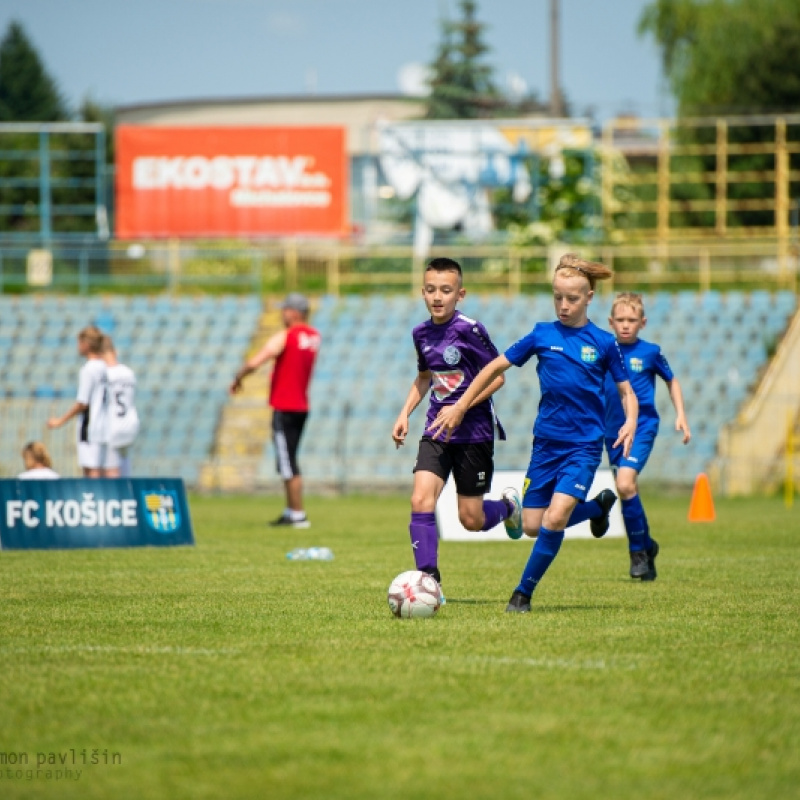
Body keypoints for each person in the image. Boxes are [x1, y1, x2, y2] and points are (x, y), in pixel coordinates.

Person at [430, 253, 639, 613]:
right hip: (545, 444)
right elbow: (494, 366)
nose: (563, 304)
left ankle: (522, 594)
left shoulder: (604, 343)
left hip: (584, 446)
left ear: (589, 297)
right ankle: (595, 509)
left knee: (555, 519)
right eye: (558, 296)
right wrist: (462, 405)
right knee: (531, 525)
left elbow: (627, 391)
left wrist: (630, 421)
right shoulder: (542, 334)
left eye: (572, 298)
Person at [391, 257, 523, 589]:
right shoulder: (420, 333)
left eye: (446, 290)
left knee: (471, 519)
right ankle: (428, 579)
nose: (438, 297)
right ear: (422, 292)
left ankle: (508, 508)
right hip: (436, 430)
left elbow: (497, 379)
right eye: (431, 290)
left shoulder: (470, 330)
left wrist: (461, 408)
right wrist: (404, 413)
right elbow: (424, 378)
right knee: (420, 500)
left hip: (473, 434)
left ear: (459, 294)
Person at [604, 292, 691, 581]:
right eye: (620, 320)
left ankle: (637, 553)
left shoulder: (650, 352)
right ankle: (647, 546)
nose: (626, 325)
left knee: (625, 483)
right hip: (612, 431)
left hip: (641, 427)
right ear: (611, 322)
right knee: (626, 489)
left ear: (643, 322)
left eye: (632, 320)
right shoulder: (605, 350)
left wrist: (680, 413)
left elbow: (672, 379)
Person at [230, 293, 321, 528]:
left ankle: (298, 515)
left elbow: (257, 360)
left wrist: (239, 376)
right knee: (289, 459)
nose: (282, 314)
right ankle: (292, 511)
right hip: (301, 405)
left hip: (285, 405)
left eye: (285, 310)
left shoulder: (287, 335)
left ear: (294, 312)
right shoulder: (314, 337)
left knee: (288, 462)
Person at [47, 325, 109, 478]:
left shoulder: (88, 369)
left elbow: (82, 403)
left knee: (90, 470)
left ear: (86, 345)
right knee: (99, 468)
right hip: (103, 424)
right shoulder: (104, 367)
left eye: (79, 343)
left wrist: (60, 421)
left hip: (90, 427)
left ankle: (93, 501)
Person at [102, 335, 140, 478]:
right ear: (115, 351)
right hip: (130, 422)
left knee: (111, 469)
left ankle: (117, 497)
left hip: (112, 424)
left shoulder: (104, 374)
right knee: (124, 461)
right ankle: (129, 492)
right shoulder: (128, 372)